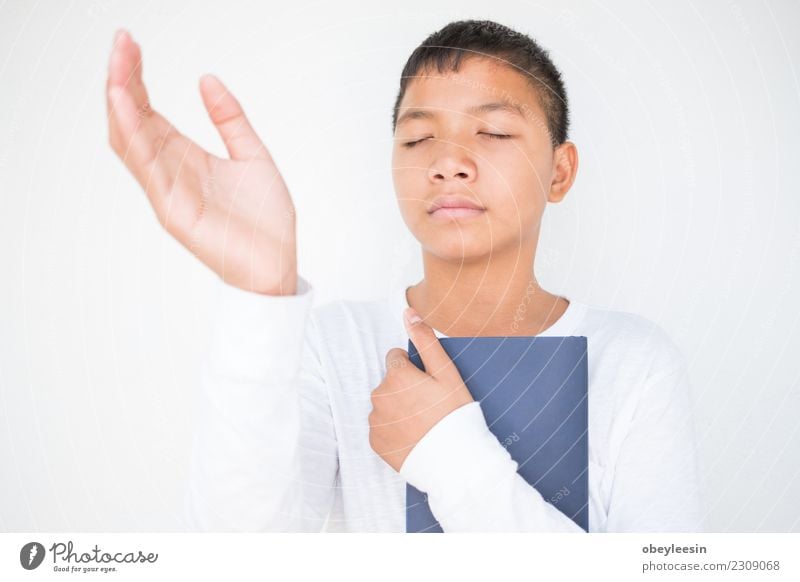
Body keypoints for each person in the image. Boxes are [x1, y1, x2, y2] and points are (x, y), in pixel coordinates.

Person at [106, 20, 705, 532]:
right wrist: (259, 290)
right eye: (418, 138)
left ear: (559, 171)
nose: (447, 162)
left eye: (493, 132)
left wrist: (449, 454)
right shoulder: (335, 346)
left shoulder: (635, 363)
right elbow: (236, 555)